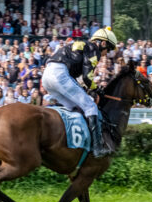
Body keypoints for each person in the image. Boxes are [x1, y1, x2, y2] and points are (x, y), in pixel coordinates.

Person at [43, 27, 119, 158]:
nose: (107, 53)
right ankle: (97, 148)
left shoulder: (84, 45)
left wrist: (88, 88)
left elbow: (80, 79)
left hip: (47, 76)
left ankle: (70, 142)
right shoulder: (94, 49)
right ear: (103, 43)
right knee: (90, 106)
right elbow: (87, 77)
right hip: (60, 74)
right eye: (108, 49)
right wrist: (97, 89)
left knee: (74, 108)